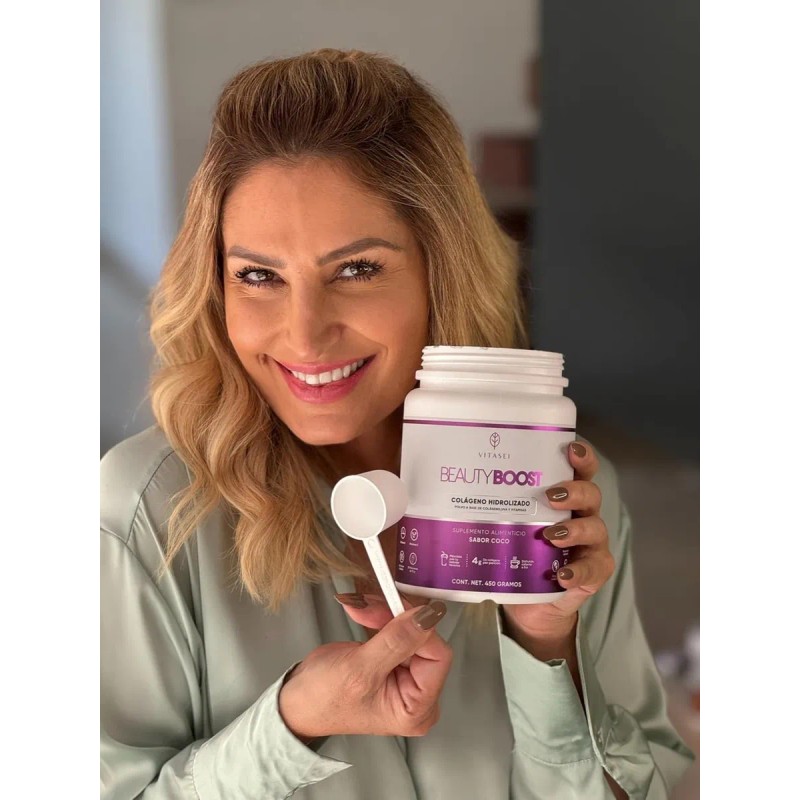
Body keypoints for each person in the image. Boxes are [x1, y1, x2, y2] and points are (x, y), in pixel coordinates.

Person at [100, 49, 694, 799]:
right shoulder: (146, 515)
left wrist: (548, 647)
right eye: (259, 276)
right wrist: (290, 727)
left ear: (440, 269)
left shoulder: (560, 497)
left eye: (356, 269)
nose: (305, 335)